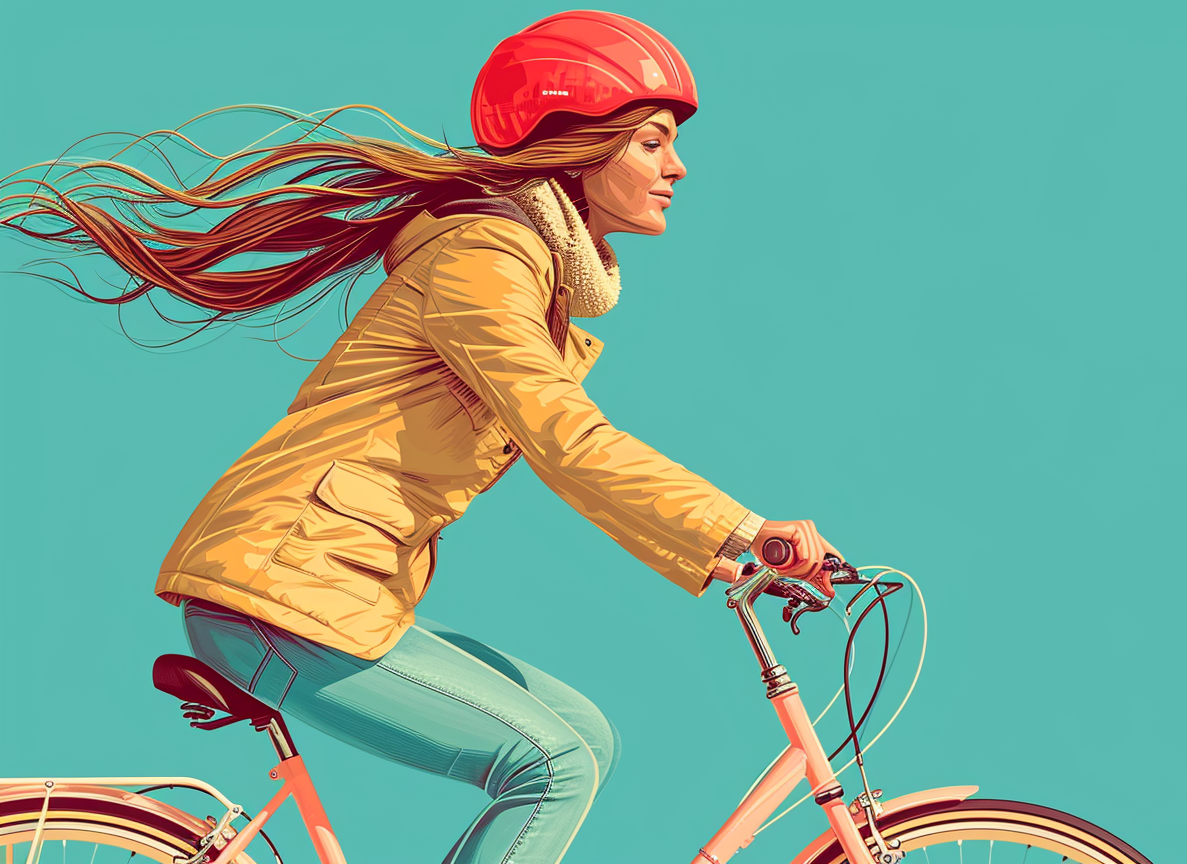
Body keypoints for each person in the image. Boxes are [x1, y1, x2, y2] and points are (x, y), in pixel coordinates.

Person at [2, 11, 841, 863]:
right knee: (551, 765)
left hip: (335, 590)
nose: (677, 166)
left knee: (588, 737)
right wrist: (742, 530)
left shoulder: (519, 273)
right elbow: (569, 438)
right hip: (283, 586)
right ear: (579, 146)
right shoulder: (486, 255)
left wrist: (735, 559)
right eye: (653, 141)